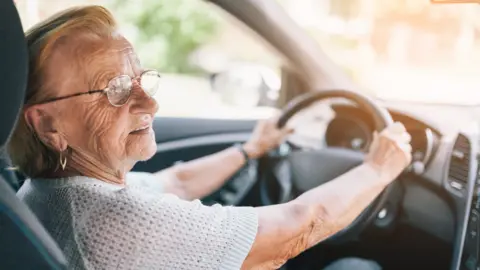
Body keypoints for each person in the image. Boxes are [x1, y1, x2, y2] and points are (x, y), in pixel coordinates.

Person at [9, 6, 411, 270]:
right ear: (48, 126)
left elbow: (176, 182)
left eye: (140, 79)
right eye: (114, 88)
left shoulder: (45, 194)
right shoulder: (114, 222)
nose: (149, 102)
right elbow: (298, 226)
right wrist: (379, 168)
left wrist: (250, 150)